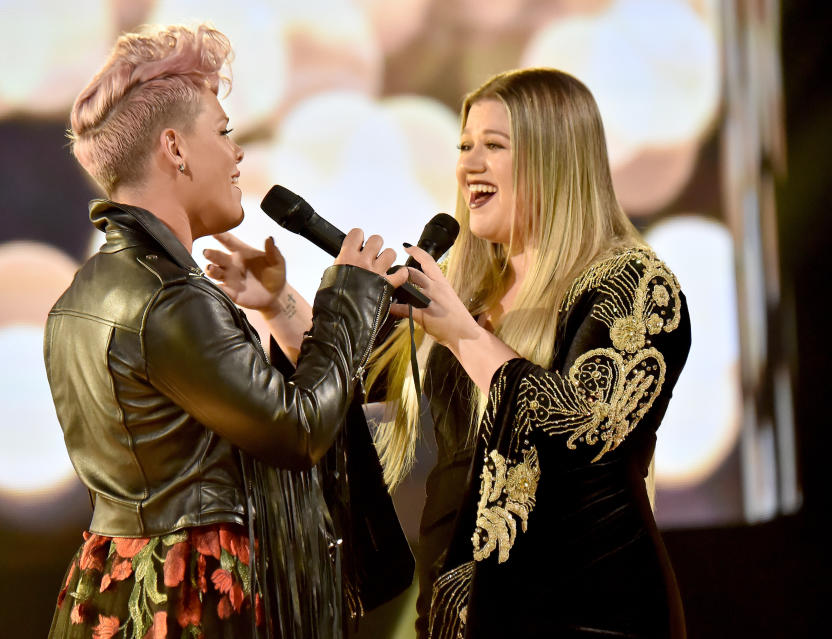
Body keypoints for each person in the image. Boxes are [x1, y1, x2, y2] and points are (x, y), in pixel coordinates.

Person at [44, 23, 410, 639]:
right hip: (189, 598)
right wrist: (349, 298)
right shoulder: (169, 300)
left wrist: (275, 307)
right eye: (223, 132)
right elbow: (296, 431)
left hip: (122, 588)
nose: (237, 153)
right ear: (174, 148)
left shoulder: (85, 295)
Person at [363, 68, 691, 638]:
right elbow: (355, 381)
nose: (468, 164)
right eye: (465, 146)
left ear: (555, 158)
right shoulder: (470, 297)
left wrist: (464, 336)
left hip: (588, 611)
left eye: (494, 146)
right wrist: (276, 306)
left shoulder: (632, 284)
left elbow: (579, 425)